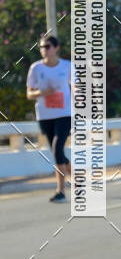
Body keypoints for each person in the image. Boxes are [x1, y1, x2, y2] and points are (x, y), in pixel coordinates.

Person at [26, 35, 72, 202]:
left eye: (47, 46)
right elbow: (29, 94)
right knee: (57, 152)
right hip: (45, 116)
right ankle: (78, 180)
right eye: (42, 47)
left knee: (57, 149)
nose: (44, 50)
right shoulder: (36, 68)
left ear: (56, 48)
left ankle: (60, 191)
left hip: (64, 114)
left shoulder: (68, 66)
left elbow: (79, 87)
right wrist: (42, 93)